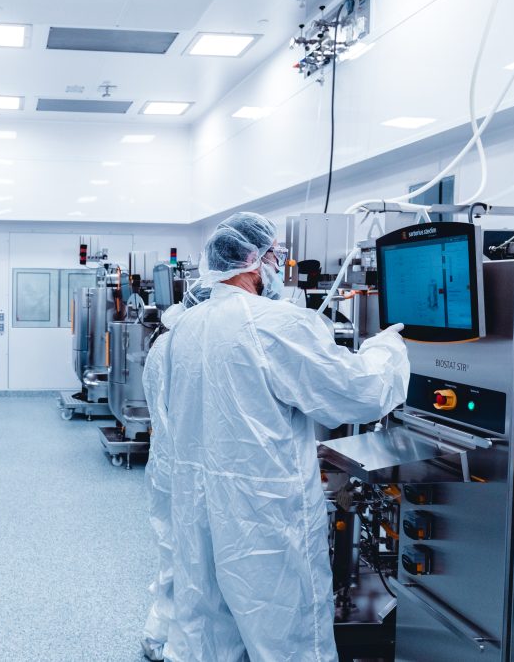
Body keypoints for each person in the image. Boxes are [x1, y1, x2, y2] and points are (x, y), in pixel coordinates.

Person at [161, 212, 410, 662]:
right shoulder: (275, 322)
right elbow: (358, 393)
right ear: (255, 262)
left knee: (207, 629)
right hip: (263, 511)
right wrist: (386, 349)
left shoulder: (185, 326)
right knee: (287, 637)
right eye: (276, 254)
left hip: (197, 502)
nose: (280, 265)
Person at [140, 282, 213, 662]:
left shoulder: (162, 344)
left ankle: (157, 633)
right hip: (194, 472)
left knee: (172, 553)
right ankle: (183, 649)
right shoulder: (195, 348)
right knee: (198, 566)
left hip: (166, 468)